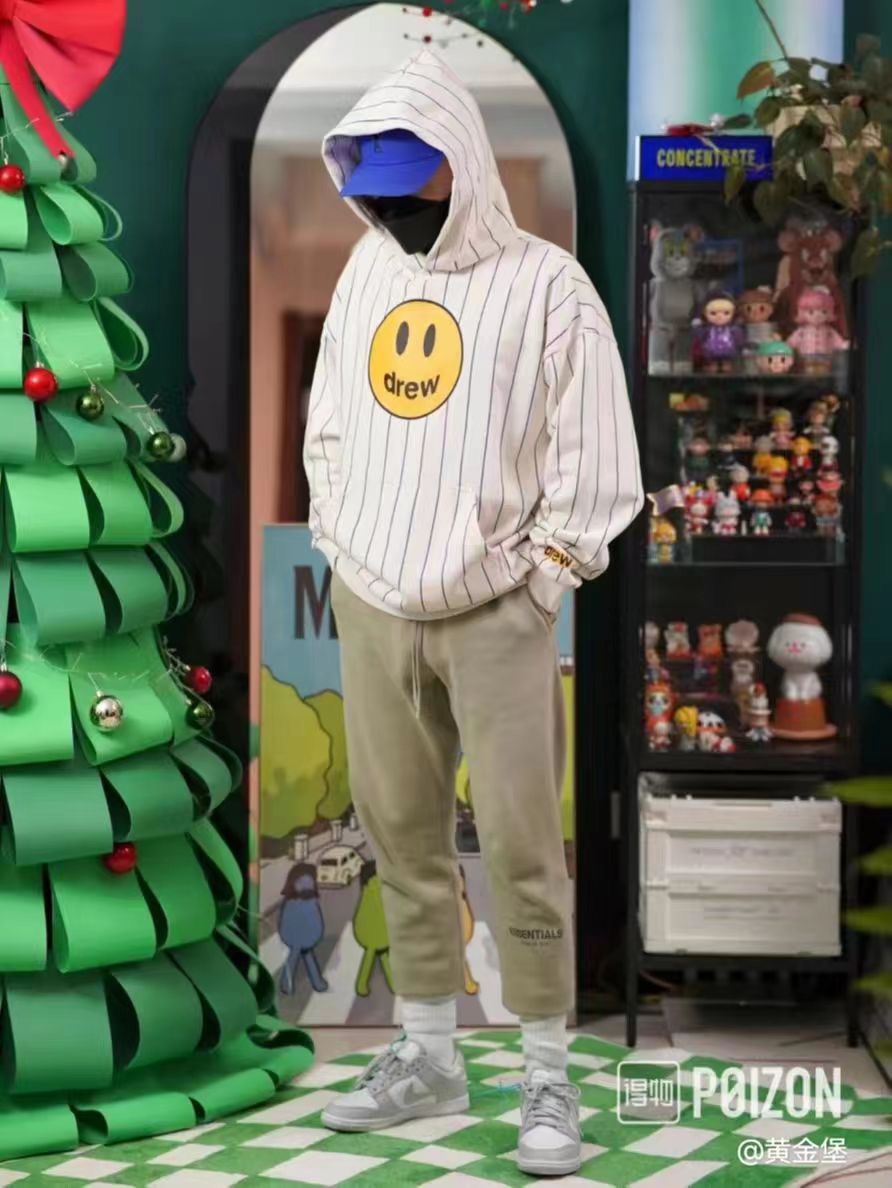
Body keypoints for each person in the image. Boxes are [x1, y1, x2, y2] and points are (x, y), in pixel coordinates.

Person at [304, 49, 642, 1177]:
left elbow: (595, 450)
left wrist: (544, 576)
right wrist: (341, 544)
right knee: (398, 834)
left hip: (494, 606)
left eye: (411, 187)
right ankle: (428, 1056)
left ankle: (547, 1074)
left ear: (465, 167)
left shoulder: (549, 285)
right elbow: (330, 422)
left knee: (520, 843)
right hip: (372, 600)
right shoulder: (366, 269)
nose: (392, 209)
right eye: (374, 189)